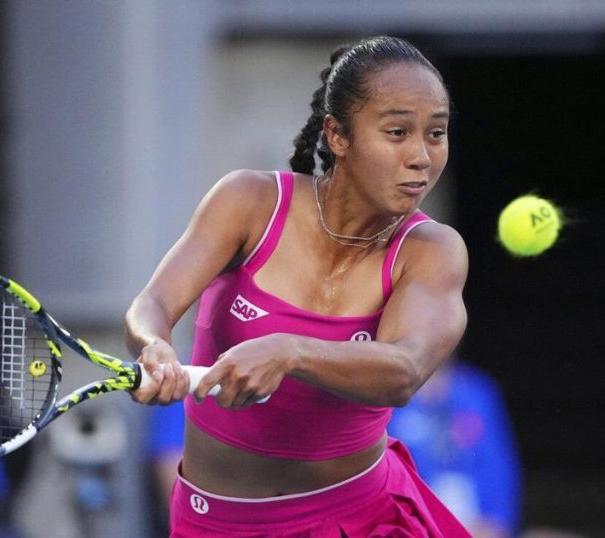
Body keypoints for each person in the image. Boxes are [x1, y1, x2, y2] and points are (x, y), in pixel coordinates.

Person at [127, 36, 470, 536]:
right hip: (215, 522)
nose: (421, 156)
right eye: (397, 132)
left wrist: (290, 351)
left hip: (364, 517)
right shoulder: (249, 202)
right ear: (338, 135)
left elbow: (405, 369)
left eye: (435, 133)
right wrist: (154, 345)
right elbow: (153, 302)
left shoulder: (431, 249)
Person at [389, 359, 521, 537]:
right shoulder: (389, 395)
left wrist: (498, 521)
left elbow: (497, 464)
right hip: (415, 522)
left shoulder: (476, 389)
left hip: (477, 522)